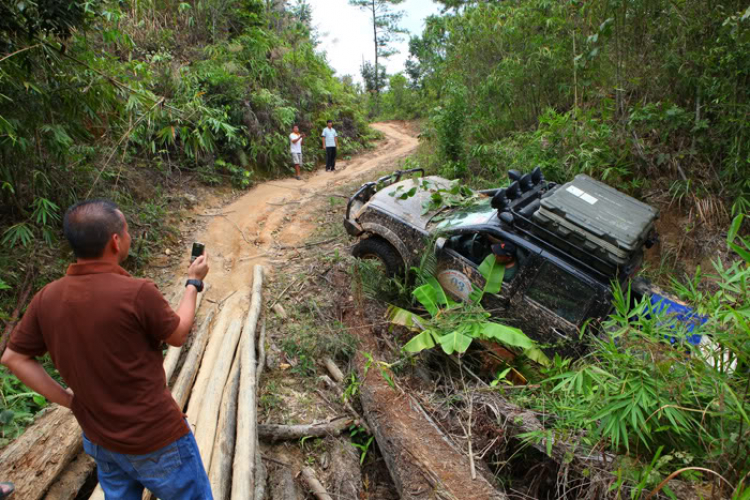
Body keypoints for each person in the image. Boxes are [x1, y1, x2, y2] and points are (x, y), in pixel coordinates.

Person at [1, 200, 212, 500]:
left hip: (101, 440)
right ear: (115, 241)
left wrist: (70, 401)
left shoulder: (47, 297)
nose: (129, 236)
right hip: (157, 439)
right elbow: (178, 334)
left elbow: (13, 357)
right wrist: (193, 283)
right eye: (126, 230)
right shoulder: (137, 293)